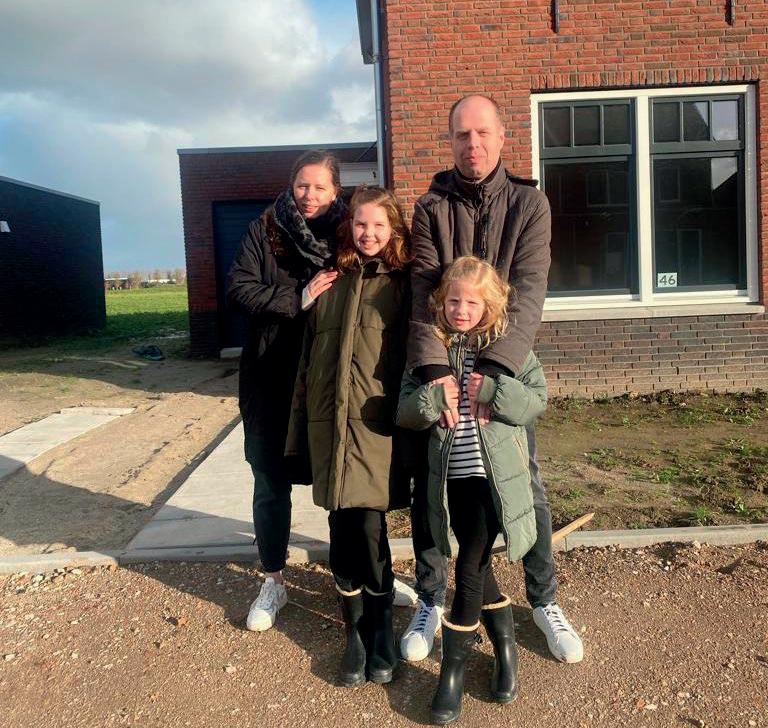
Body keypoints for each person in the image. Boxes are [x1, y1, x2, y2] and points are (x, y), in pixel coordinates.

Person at [401, 94, 584, 665]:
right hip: (443, 365)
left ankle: (544, 600)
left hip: (503, 367)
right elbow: (423, 290)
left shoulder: (530, 204)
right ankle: (430, 598)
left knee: (526, 483)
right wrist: (435, 372)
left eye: (482, 133)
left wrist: (495, 372)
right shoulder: (430, 209)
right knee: (432, 488)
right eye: (462, 134)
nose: (472, 144)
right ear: (450, 141)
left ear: (503, 138)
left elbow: (529, 290)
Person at [397, 256, 547, 724]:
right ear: (441, 303)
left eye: (472, 303)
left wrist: (494, 392)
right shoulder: (430, 351)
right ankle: (505, 646)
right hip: (451, 484)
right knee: (479, 569)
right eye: (454, 301)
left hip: (493, 484)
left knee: (468, 569)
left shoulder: (509, 350)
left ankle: (452, 674)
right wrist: (431, 398)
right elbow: (404, 412)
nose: (461, 310)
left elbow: (536, 403)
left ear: (490, 306)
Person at [284, 186, 412, 686]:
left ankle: (382, 631)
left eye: (379, 225)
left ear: (393, 229)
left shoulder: (402, 284)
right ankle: (353, 632)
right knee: (339, 531)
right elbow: (306, 362)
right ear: (348, 226)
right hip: (328, 427)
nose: (369, 233)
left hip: (375, 430)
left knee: (370, 531)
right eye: (361, 224)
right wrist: (300, 429)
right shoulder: (329, 283)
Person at [226, 149, 346, 632]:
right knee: (270, 480)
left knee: (341, 482)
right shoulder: (265, 229)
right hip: (271, 375)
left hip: (330, 376)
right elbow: (239, 288)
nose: (309, 195)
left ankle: (353, 576)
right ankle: (273, 578)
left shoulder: (349, 233)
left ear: (335, 190)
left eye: (319, 186)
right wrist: (299, 297)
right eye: (302, 185)